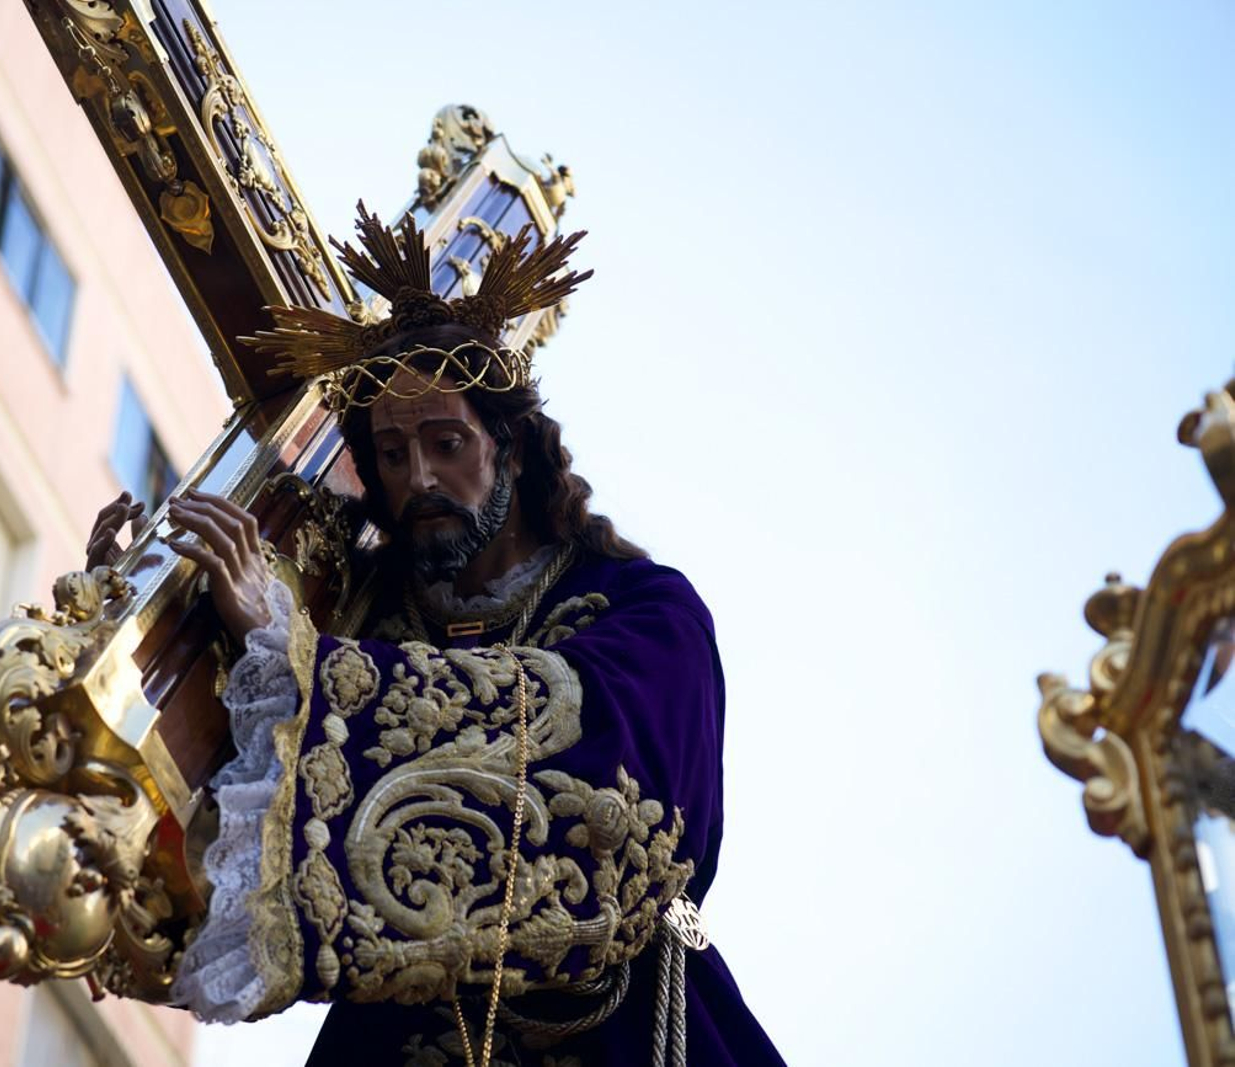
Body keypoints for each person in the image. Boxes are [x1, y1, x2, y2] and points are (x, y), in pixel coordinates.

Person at [93, 206, 784, 1065]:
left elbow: (611, 773)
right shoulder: (352, 627)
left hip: (616, 1026)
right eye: (390, 452)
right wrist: (148, 618)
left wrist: (290, 650)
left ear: (514, 450)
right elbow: (240, 831)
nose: (418, 475)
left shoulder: (647, 611)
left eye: (446, 441)